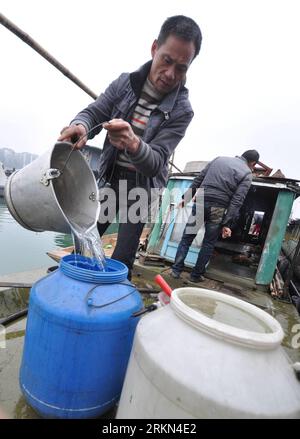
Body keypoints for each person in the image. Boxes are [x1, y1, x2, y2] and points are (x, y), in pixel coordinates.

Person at [58, 15, 202, 278]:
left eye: (181, 68)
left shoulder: (183, 110)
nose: (170, 74)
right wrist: (80, 125)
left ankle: (108, 306)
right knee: (83, 239)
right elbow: (95, 111)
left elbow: (156, 161)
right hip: (111, 177)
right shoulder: (124, 83)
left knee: (123, 257)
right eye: (166, 60)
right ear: (154, 48)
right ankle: (75, 293)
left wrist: (134, 144)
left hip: (143, 189)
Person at [171, 149, 260, 282]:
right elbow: (237, 200)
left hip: (201, 201)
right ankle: (195, 276)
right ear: (253, 163)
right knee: (208, 243)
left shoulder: (218, 159)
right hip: (219, 207)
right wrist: (226, 223)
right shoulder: (247, 174)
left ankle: (176, 270)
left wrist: (186, 198)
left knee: (187, 238)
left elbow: (199, 178)